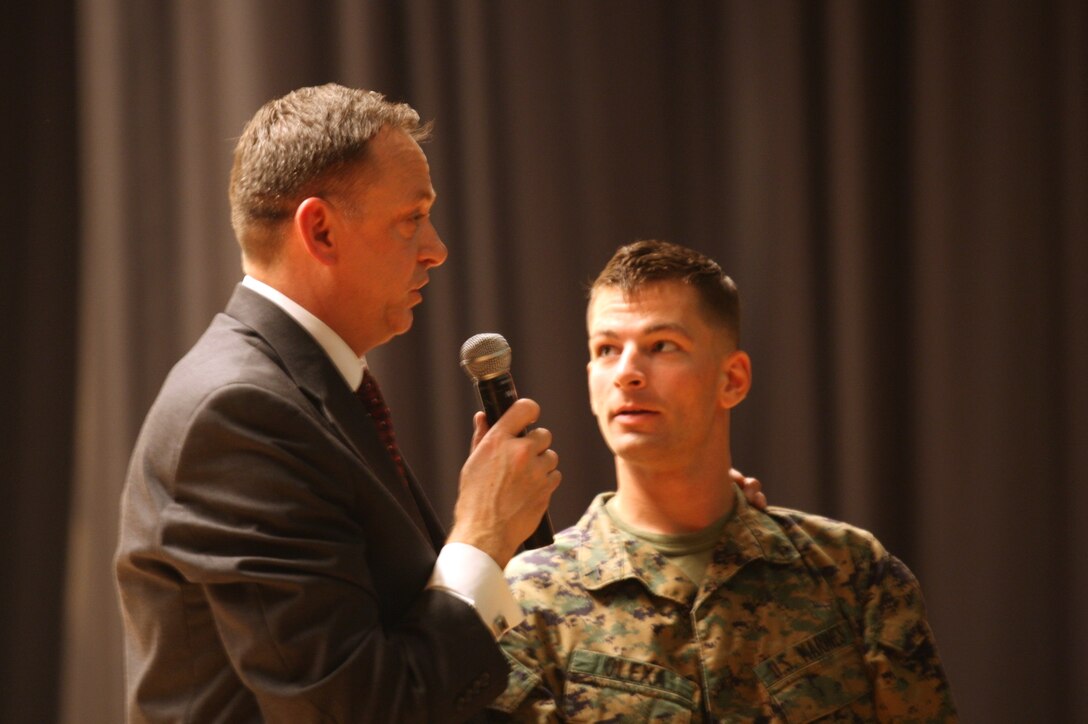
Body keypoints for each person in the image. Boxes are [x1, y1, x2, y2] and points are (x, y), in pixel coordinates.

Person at [113, 84, 565, 722]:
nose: (436, 248)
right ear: (320, 229)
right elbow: (353, 708)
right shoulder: (240, 412)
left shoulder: (300, 389)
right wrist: (482, 535)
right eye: (412, 218)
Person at [488, 240, 958, 722]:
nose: (626, 372)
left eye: (661, 346)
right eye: (606, 349)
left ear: (732, 379)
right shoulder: (532, 598)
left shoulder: (852, 574)